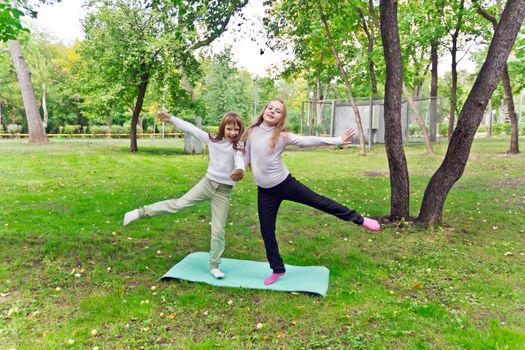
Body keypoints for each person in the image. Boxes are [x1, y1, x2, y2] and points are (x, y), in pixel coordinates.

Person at [242, 99, 381, 285]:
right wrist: (238, 171)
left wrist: (338, 140)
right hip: (265, 192)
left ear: (281, 118)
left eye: (278, 111)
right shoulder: (252, 132)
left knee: (319, 201)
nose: (272, 112)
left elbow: (308, 141)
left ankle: (360, 219)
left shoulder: (282, 136)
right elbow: (246, 156)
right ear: (264, 110)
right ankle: (278, 269)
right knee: (267, 231)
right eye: (270, 108)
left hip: (285, 183)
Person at [123, 111, 245, 279]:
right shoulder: (212, 139)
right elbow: (192, 128)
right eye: (229, 128)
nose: (233, 133)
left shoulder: (239, 146)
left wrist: (239, 171)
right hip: (207, 184)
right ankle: (139, 212)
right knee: (178, 204)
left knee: (218, 229)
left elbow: (239, 161)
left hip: (223, 192)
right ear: (223, 127)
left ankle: (214, 265)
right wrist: (171, 119)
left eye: (236, 130)